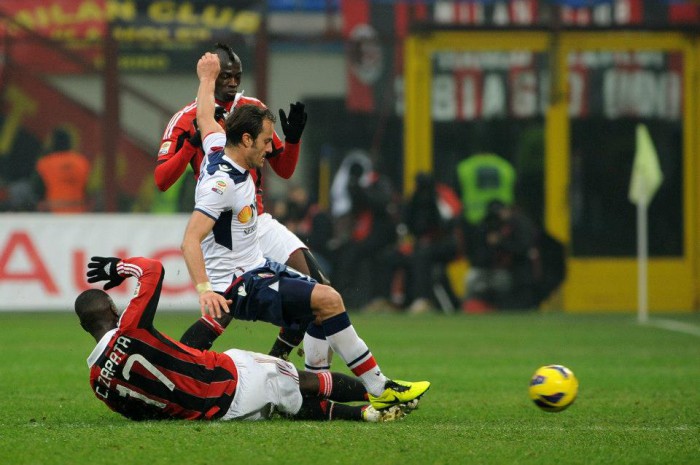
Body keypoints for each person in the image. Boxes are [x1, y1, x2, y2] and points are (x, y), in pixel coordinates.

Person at [180, 52, 430, 407]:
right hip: (238, 283)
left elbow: (205, 115)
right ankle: (379, 387)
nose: (271, 148)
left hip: (255, 268)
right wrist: (205, 289)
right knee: (328, 300)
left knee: (318, 300)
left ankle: (313, 392)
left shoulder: (219, 145)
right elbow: (190, 240)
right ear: (247, 140)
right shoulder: (222, 185)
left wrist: (206, 75)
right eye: (266, 141)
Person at [77, 255, 413, 422]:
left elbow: (136, 412)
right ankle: (380, 391)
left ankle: (365, 415)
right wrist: (118, 267)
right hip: (231, 378)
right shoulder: (131, 328)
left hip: (215, 414)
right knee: (299, 379)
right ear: (110, 305)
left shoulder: (97, 382)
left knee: (289, 402)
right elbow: (153, 269)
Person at [154, 42, 328, 359]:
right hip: (224, 226)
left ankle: (281, 364)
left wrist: (292, 141)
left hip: (258, 220)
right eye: (225, 76)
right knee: (223, 310)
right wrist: (190, 145)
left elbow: (284, 170)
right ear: (212, 77)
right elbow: (162, 180)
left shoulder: (251, 109)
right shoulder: (187, 118)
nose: (233, 83)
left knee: (318, 290)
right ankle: (178, 367)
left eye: (237, 76)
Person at [463, 200, 540, 312]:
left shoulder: (518, 223)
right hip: (495, 270)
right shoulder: (489, 226)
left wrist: (500, 241)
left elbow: (521, 248)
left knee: (504, 284)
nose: (499, 215)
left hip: (516, 271)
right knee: (473, 278)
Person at [35, 127, 91, 213]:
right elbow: (88, 188)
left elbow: (38, 189)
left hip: (53, 210)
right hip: (78, 210)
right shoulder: (82, 162)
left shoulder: (44, 163)